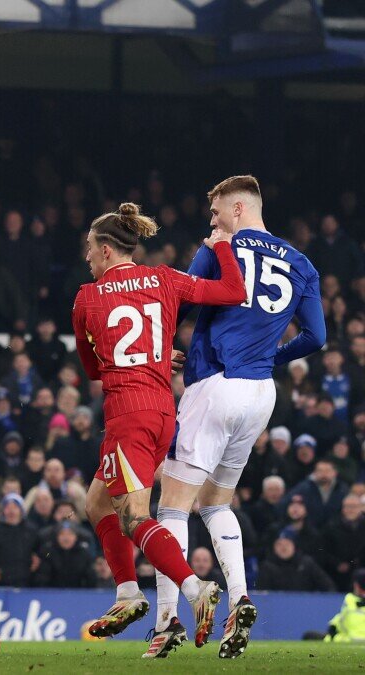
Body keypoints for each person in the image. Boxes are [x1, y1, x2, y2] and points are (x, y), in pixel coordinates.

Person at [153, 175, 326, 660]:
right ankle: (240, 598)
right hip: (260, 392)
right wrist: (270, 358)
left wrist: (165, 349)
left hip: (215, 384)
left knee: (171, 503)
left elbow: (181, 303)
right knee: (215, 502)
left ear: (236, 210)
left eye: (214, 212)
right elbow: (316, 337)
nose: (211, 222)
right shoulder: (302, 263)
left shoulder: (219, 246)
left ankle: (166, 623)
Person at [71, 202, 245, 653]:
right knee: (97, 505)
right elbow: (232, 289)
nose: (86, 256)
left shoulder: (87, 298)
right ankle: (128, 594)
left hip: (127, 415)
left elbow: (93, 368)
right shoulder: (165, 278)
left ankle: (195, 589)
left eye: (90, 248)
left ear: (107, 250)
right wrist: (223, 247)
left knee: (133, 516)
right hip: (164, 410)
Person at [325, 568, 365, 642]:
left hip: (349, 639)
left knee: (309, 635)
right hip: (349, 638)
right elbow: (342, 616)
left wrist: (333, 627)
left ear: (356, 585)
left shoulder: (350, 600)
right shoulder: (351, 599)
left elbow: (344, 619)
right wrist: (334, 624)